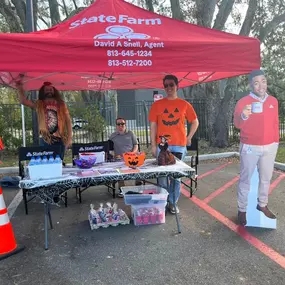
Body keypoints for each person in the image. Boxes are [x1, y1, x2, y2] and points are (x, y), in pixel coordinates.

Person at [234, 69, 279, 226]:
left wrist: (275, 142)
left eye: (263, 81)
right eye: (256, 83)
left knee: (266, 178)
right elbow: (237, 124)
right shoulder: (243, 102)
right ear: (251, 85)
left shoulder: (273, 101)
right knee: (246, 179)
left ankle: (262, 205)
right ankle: (242, 209)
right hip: (250, 146)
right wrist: (244, 115)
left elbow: (275, 124)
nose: (261, 86)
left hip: (270, 147)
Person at [148, 74, 199, 214]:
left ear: (177, 86)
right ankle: (162, 203)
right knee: (162, 177)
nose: (169, 88)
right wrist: (153, 145)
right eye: (166, 85)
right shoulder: (157, 105)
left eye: (171, 84)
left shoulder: (184, 105)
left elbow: (195, 121)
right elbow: (153, 126)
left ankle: (173, 203)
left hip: (179, 146)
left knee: (176, 177)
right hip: (162, 147)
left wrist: (189, 137)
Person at [16, 81, 72, 160]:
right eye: (47, 89)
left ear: (54, 91)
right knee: (46, 162)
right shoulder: (39, 104)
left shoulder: (61, 104)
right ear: (43, 91)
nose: (49, 91)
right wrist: (20, 88)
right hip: (45, 139)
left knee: (59, 163)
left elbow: (68, 121)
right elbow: (23, 101)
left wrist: (69, 139)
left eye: (51, 89)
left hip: (60, 138)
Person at [109, 117, 141, 197]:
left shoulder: (130, 133)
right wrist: (114, 155)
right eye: (118, 124)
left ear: (125, 124)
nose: (121, 125)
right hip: (119, 159)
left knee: (136, 167)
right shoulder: (112, 136)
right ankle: (121, 189)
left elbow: (136, 145)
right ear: (116, 126)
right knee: (119, 170)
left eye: (122, 123)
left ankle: (138, 186)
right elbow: (109, 149)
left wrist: (132, 153)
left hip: (131, 157)